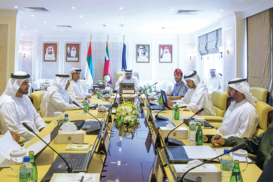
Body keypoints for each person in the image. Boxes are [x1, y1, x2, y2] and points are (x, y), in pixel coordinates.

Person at [0, 71, 46, 141]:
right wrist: (38, 137)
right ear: (15, 85)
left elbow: (35, 116)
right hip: (20, 142)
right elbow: (14, 129)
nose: (28, 86)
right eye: (25, 83)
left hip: (34, 137)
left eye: (28, 82)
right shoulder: (7, 103)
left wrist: (43, 128)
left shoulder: (25, 98)